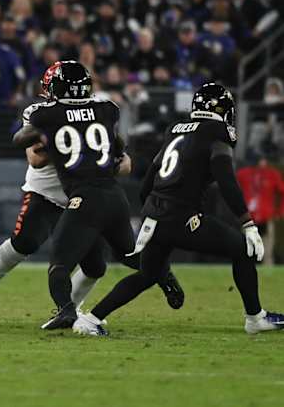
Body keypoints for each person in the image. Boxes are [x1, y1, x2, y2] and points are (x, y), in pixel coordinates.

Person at [0, 62, 184, 320]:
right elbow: (35, 159)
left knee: (95, 266)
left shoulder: (96, 111)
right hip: (47, 192)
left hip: (86, 195)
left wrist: (98, 161)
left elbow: (125, 163)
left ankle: (69, 311)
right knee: (24, 243)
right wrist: (66, 142)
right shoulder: (40, 113)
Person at [74, 83, 284, 336]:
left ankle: (90, 320)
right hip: (181, 215)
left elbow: (148, 181)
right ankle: (255, 317)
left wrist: (152, 213)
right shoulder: (217, 132)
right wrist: (247, 223)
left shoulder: (175, 130)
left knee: (147, 275)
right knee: (242, 249)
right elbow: (226, 179)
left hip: (155, 213)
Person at [12, 60, 172, 330]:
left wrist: (46, 136)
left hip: (83, 197)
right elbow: (118, 146)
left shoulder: (46, 115)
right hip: (114, 195)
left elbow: (19, 141)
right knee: (128, 255)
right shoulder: (105, 109)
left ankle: (66, 312)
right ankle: (165, 274)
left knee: (59, 265)